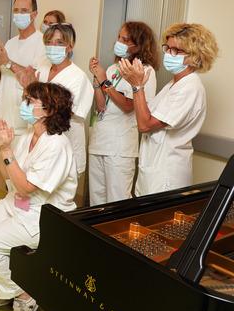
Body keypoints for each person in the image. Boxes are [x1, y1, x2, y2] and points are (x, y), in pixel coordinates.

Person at [0, 82, 77, 311]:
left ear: (48, 110)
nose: (23, 105)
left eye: (30, 101)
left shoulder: (56, 145)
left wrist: (6, 149)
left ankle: (24, 295)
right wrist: (2, 148)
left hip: (43, 217)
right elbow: (8, 174)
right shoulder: (28, 136)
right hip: (17, 203)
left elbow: (26, 188)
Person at [119, 23, 218, 196]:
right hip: (152, 169)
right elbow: (147, 115)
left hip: (166, 175)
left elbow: (145, 125)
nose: (169, 54)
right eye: (168, 48)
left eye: (176, 51)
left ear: (195, 55)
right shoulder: (173, 84)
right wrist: (139, 86)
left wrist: (137, 87)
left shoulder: (190, 88)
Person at [18, 23, 93, 204]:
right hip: (40, 141)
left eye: (59, 43)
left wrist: (32, 88)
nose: (53, 47)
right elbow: (29, 100)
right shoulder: (43, 68)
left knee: (56, 202)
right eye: (49, 42)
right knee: (33, 198)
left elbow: (62, 112)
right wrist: (28, 88)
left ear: (70, 46)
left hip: (64, 145)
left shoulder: (77, 77)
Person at [87, 22, 159, 205]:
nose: (119, 42)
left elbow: (128, 105)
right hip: (99, 141)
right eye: (119, 37)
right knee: (96, 203)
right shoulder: (113, 68)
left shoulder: (145, 71)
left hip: (119, 148)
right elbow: (101, 106)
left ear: (138, 44)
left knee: (117, 203)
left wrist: (105, 82)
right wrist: (97, 80)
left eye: (125, 39)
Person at [0, 0, 45, 159]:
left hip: (25, 122)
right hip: (4, 118)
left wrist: (7, 62)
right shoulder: (10, 43)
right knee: (5, 169)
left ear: (34, 14)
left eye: (24, 11)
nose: (19, 15)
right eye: (16, 11)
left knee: (20, 168)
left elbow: (34, 81)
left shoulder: (41, 42)